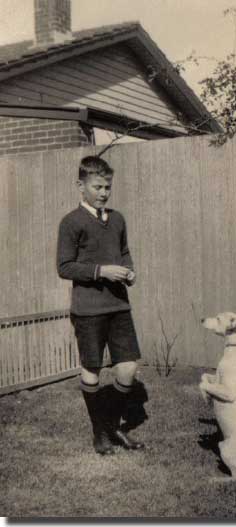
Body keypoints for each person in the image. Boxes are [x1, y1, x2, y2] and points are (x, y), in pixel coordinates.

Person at [56, 155, 144, 455]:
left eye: (107, 187)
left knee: (128, 367)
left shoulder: (117, 219)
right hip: (88, 310)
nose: (104, 192)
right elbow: (64, 267)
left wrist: (129, 271)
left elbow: (124, 252)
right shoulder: (71, 222)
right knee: (92, 368)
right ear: (81, 186)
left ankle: (111, 424)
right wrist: (101, 271)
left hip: (119, 305)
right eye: (97, 187)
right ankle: (100, 432)